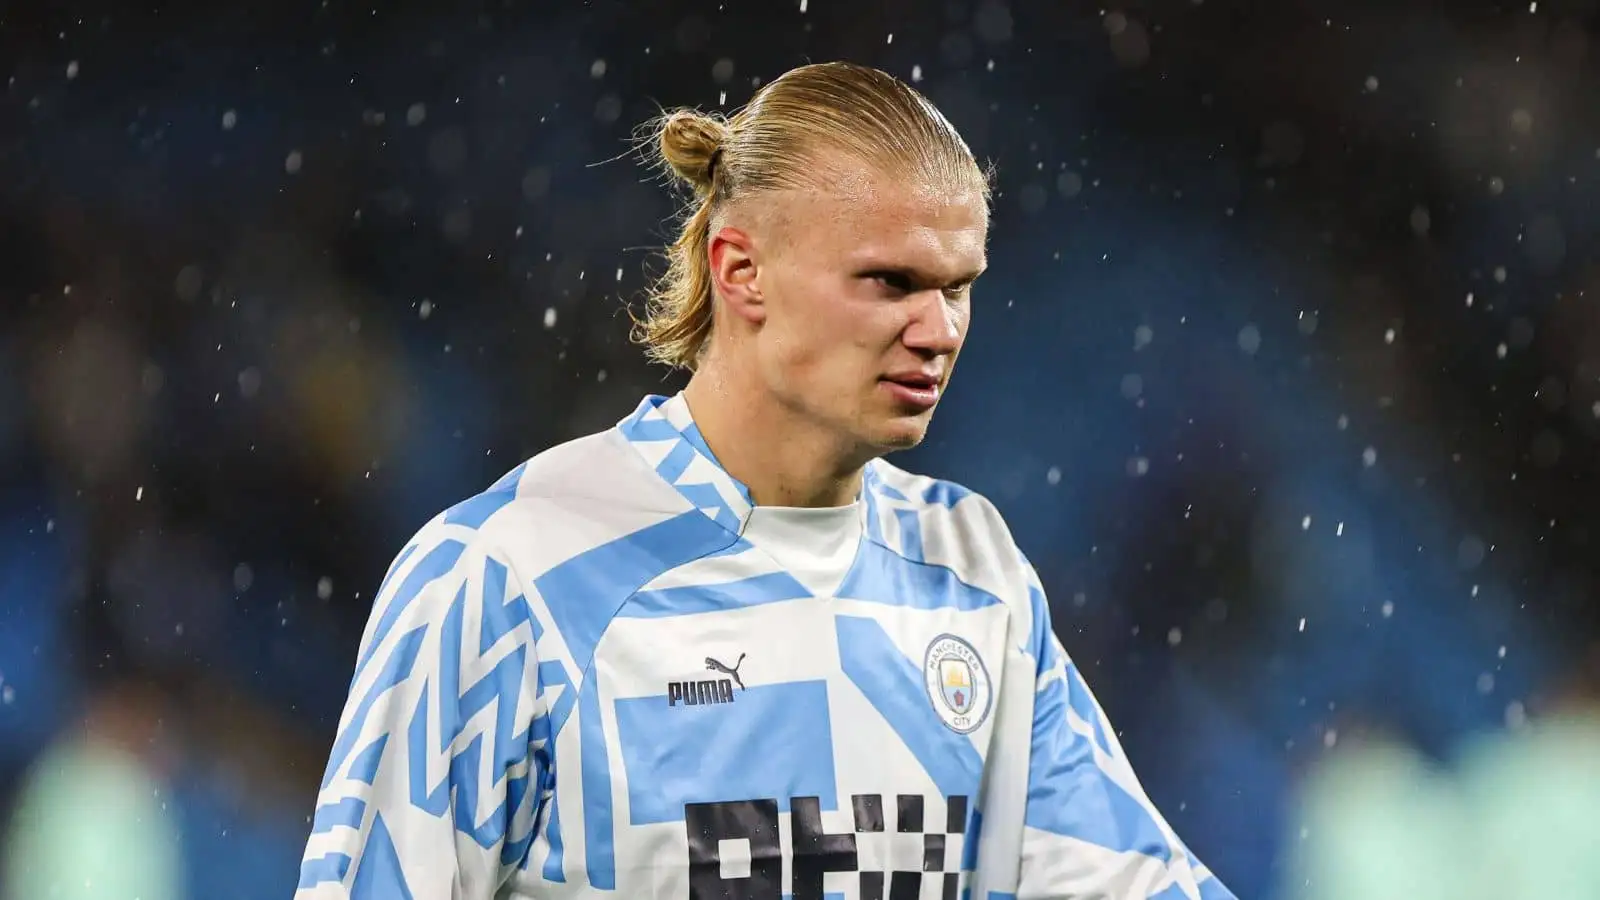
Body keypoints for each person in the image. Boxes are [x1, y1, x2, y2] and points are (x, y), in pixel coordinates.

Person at [294, 61, 1234, 900]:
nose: (941, 329)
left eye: (958, 285)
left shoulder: (972, 570)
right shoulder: (511, 574)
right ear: (740, 272)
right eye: (890, 282)